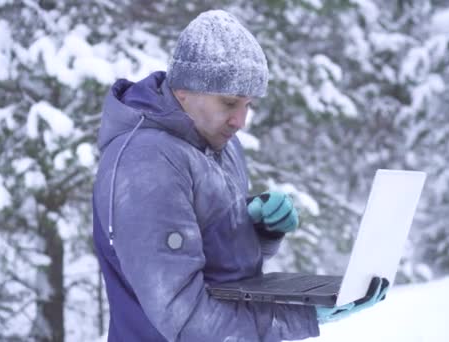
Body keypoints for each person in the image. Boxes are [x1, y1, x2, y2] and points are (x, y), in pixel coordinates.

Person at [92, 10, 387, 342]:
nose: (240, 121)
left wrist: (259, 231)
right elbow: (184, 317)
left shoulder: (219, 144)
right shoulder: (146, 163)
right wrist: (298, 318)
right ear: (183, 90)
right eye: (230, 102)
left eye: (247, 104)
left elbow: (224, 274)